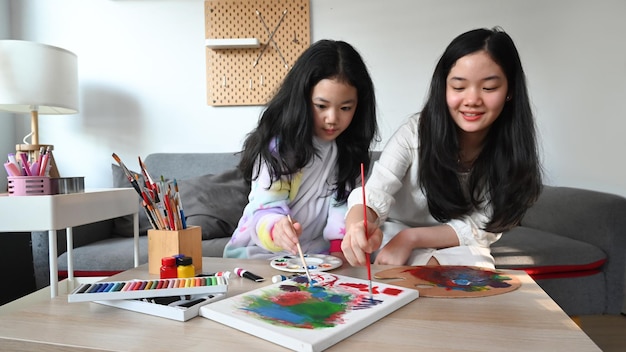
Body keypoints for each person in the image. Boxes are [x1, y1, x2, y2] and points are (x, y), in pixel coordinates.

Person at [341, 27, 542, 269]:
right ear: (444, 87)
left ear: (510, 91)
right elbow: (375, 192)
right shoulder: (415, 133)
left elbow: (482, 228)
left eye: (489, 88)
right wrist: (357, 226)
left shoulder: (512, 150)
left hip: (457, 244)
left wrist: (412, 238)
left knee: (475, 271)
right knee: (415, 270)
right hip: (394, 234)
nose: (472, 100)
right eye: (459, 87)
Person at [223, 39, 378, 260]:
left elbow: (342, 210)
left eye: (345, 108)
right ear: (302, 99)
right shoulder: (279, 148)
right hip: (258, 256)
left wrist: (342, 256)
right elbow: (264, 209)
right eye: (321, 106)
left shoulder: (349, 151)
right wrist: (277, 230)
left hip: (316, 260)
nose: (332, 118)